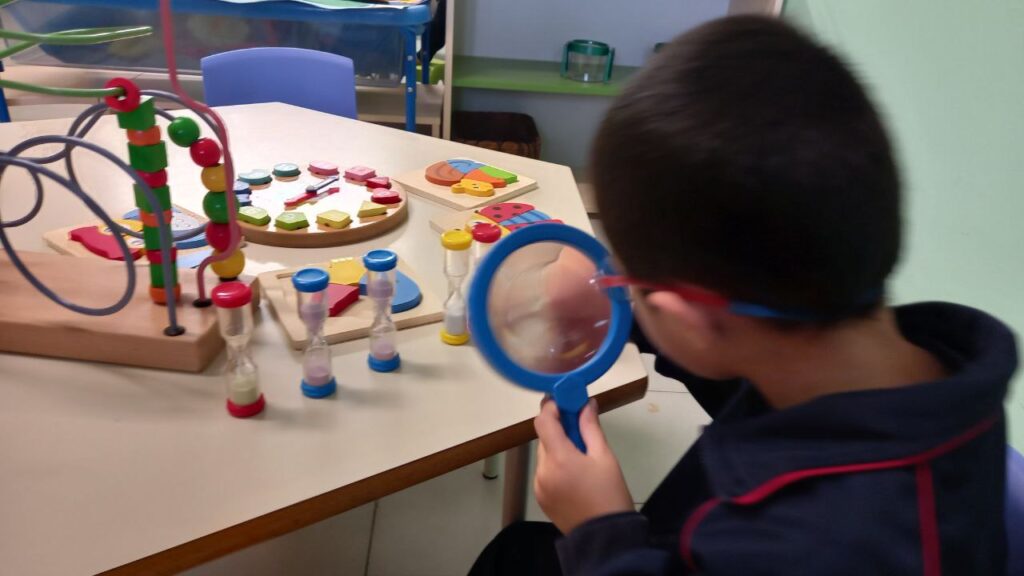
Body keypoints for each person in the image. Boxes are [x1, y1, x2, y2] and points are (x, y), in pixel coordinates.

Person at [469, 15, 1017, 576]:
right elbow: (741, 360)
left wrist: (599, 535)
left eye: (629, 283)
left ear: (692, 317)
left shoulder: (825, 549)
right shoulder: (923, 371)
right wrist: (623, 319)